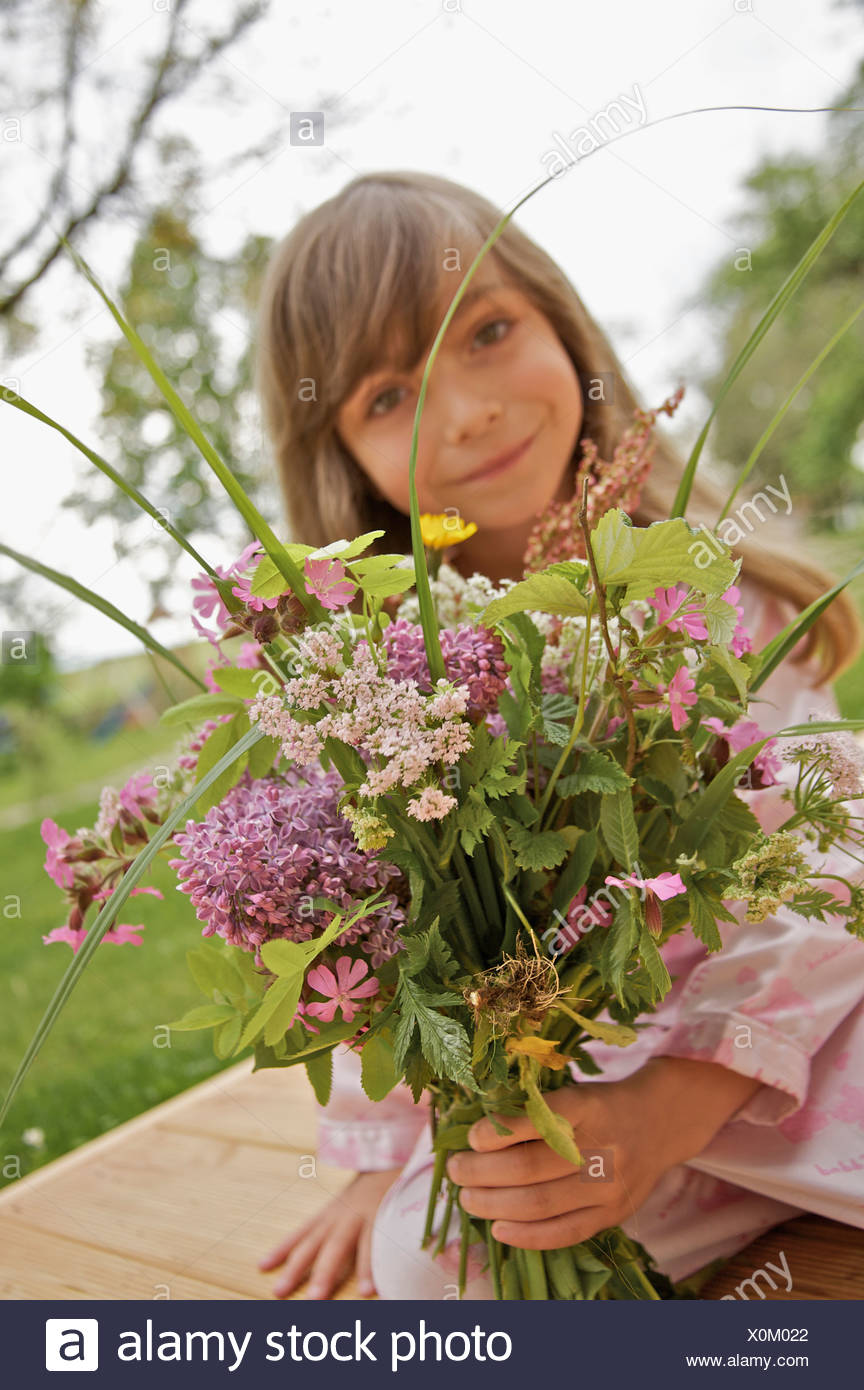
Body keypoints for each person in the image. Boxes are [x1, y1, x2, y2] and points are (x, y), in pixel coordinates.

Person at [253, 170, 864, 1299]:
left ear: (565, 325)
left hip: (789, 1021)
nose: (468, 408)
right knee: (421, 1266)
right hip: (585, 1099)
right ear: (341, 457)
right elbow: (381, 941)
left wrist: (675, 1102)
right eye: (390, 395)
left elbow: (824, 865)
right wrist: (376, 1156)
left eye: (487, 331)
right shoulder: (384, 688)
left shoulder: (715, 598)